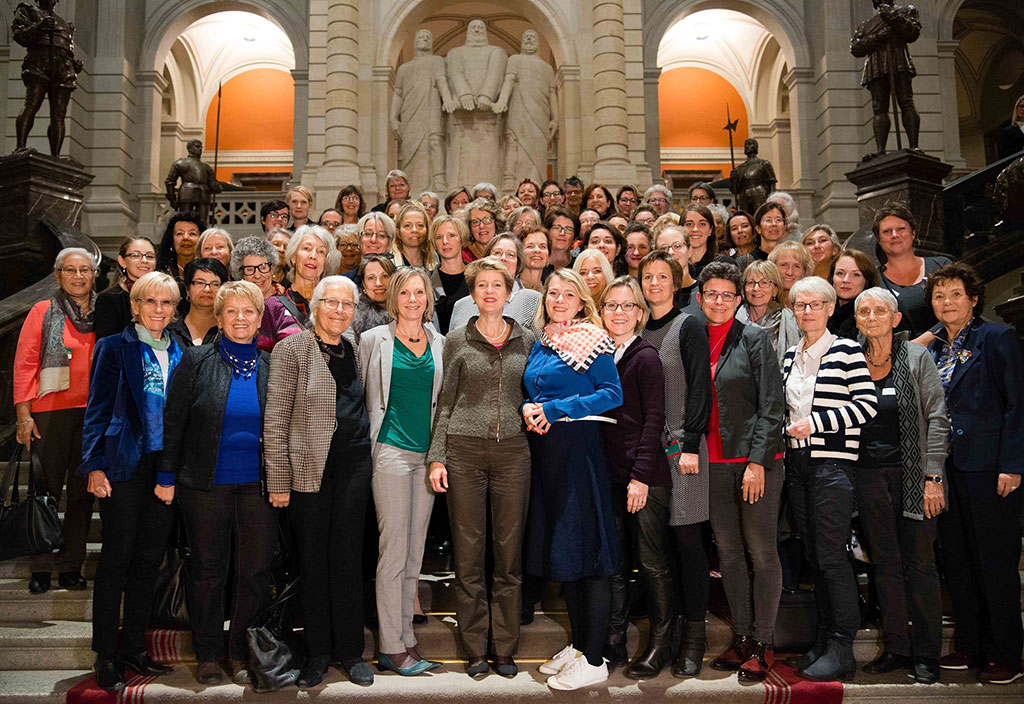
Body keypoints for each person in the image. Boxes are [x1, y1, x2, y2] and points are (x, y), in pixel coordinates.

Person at [158, 281, 275, 685]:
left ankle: (241, 652)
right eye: (232, 311)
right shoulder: (195, 361)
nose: (240, 319)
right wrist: (166, 476)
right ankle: (208, 652)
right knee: (209, 569)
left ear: (260, 319)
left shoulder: (270, 366)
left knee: (255, 571)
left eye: (248, 312)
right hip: (204, 484)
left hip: (257, 485)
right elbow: (173, 422)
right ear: (219, 317)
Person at [264, 275, 376, 687]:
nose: (340, 311)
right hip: (308, 468)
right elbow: (275, 420)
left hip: (354, 465)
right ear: (315, 305)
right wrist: (278, 480)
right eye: (332, 303)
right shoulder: (291, 349)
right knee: (312, 561)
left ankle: (350, 651)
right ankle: (317, 653)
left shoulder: (356, 349)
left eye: (347, 305)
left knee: (347, 559)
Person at [427, 258, 536, 678]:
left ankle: (504, 647)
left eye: (497, 285)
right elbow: (446, 403)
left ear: (510, 293)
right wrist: (438, 455)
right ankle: (475, 648)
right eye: (482, 285)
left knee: (508, 556)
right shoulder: (455, 340)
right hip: (464, 452)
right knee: (469, 555)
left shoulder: (529, 339)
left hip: (513, 453)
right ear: (472, 294)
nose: (489, 291)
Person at [77, 271, 182, 692]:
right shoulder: (113, 348)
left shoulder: (180, 352)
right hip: (122, 464)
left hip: (164, 469)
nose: (158, 310)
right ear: (135, 306)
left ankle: (135, 648)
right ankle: (106, 654)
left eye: (167, 303)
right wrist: (94, 465)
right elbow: (97, 409)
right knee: (116, 560)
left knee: (147, 562)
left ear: (175, 310)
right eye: (150, 302)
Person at [524, 269, 623, 691]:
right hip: (548, 456)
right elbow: (534, 392)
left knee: (589, 555)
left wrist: (557, 409)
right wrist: (532, 408)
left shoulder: (593, 339)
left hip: (580, 454)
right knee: (566, 553)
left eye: (568, 295)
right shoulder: (543, 342)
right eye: (553, 294)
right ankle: (581, 644)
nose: (559, 300)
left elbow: (611, 392)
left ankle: (596, 658)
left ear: (582, 301)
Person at [926, 263, 1024, 685]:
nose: (947, 303)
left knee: (995, 563)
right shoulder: (931, 347)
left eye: (955, 295)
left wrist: (1013, 464)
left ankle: (1006, 653)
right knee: (959, 563)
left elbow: (1017, 405)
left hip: (988, 468)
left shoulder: (998, 338)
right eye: (939, 296)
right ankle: (970, 644)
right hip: (945, 470)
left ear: (974, 298)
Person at [691, 262, 786, 683]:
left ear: (738, 299)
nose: (718, 301)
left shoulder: (754, 339)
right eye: (711, 293)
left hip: (754, 466)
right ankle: (743, 638)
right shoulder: (692, 339)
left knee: (761, 553)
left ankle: (765, 642)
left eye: (727, 294)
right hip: (711, 463)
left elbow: (772, 405)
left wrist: (758, 463)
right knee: (728, 555)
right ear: (699, 297)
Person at [782, 276, 878, 682]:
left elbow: (868, 406)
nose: (807, 311)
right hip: (798, 466)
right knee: (816, 558)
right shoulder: (789, 356)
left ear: (829, 307)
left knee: (834, 558)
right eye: (800, 305)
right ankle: (823, 641)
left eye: (815, 304)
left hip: (833, 467)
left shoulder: (846, 351)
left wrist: (817, 423)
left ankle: (843, 647)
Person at [851, 287, 947, 685]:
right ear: (856, 320)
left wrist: (933, 476)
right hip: (868, 477)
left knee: (920, 566)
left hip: (914, 475)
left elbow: (938, 418)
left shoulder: (916, 356)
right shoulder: (850, 359)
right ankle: (896, 647)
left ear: (895, 318)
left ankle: (926, 653)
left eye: (879, 310)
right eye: (863, 311)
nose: (871, 317)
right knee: (886, 565)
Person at [360, 268, 446, 676]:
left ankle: (407, 639)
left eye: (420, 292)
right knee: (393, 552)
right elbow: (361, 399)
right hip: (390, 453)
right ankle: (390, 646)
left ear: (429, 298)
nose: (413, 299)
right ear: (393, 299)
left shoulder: (441, 343)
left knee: (414, 551)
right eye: (405, 293)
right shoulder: (372, 341)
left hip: (426, 457)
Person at [637, 251, 712, 679]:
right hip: (649, 456)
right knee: (654, 553)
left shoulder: (690, 325)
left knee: (687, 545)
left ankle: (694, 641)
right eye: (647, 276)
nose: (654, 283)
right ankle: (664, 637)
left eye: (662, 276)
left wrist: (690, 441)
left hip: (682, 451)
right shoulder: (639, 328)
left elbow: (701, 387)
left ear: (676, 281)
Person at [598, 277, 674, 680]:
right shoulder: (600, 354)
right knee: (614, 562)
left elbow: (653, 421)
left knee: (650, 563)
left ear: (640, 314)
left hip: (644, 476)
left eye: (627, 306)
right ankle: (614, 640)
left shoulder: (645, 357)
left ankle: (661, 644)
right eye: (611, 305)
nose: (619, 313)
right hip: (609, 475)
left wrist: (641, 477)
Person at [14, 247, 97, 595]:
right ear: (58, 274)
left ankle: (70, 566)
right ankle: (40, 567)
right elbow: (24, 364)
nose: (78, 276)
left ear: (94, 275)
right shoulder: (43, 311)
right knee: (45, 493)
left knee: (81, 495)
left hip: (92, 413)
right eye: (70, 270)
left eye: (85, 270)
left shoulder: (104, 312)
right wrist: (23, 416)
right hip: (49, 414)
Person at [874, 202, 951, 338]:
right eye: (887, 231)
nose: (894, 235)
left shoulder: (941, 265)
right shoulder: (874, 280)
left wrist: (924, 341)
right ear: (879, 240)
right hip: (903, 355)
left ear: (913, 233)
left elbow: (963, 308)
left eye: (901, 229)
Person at [450, 234, 542, 331]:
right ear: (486, 258)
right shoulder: (460, 305)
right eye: (497, 253)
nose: (503, 258)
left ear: (518, 263)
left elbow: (542, 343)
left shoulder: (533, 300)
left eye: (511, 254)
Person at [231, 237, 303, 352]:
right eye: (250, 269)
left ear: (272, 269)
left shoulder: (289, 299)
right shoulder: (233, 303)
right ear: (241, 274)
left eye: (263, 267)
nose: (257, 275)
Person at [736, 260, 800, 367]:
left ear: (775, 290)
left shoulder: (791, 321)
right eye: (751, 282)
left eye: (764, 283)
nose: (756, 288)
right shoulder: (735, 320)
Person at [95, 237, 157, 339]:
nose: (144, 260)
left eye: (150, 256)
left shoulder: (165, 295)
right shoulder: (109, 299)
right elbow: (108, 346)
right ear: (122, 261)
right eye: (136, 255)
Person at [282, 225, 339, 324]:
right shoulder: (275, 305)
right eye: (307, 248)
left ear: (326, 262)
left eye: (321, 251)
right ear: (294, 257)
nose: (313, 256)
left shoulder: (336, 306)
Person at [166, 259, 226, 349]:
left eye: (215, 284)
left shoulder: (228, 331)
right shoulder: (169, 330)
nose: (207, 289)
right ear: (187, 289)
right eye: (200, 283)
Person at [429, 216, 471, 334]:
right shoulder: (426, 282)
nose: (445, 241)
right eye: (439, 237)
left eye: (451, 235)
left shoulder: (478, 277)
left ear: (462, 240)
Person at [828, 249, 881, 339]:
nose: (846, 280)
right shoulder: (820, 310)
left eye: (856, 275)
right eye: (840, 273)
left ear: (867, 280)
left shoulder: (874, 317)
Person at [652, 225, 698, 311]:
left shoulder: (704, 293)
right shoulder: (650, 294)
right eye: (663, 248)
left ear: (689, 250)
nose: (670, 252)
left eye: (677, 246)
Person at [683, 203, 734, 280]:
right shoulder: (674, 267)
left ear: (710, 229)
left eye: (702, 224)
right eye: (689, 224)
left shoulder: (725, 265)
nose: (695, 229)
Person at [351, 255, 396, 340]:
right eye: (371, 278)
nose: (378, 283)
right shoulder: (351, 315)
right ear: (363, 284)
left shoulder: (409, 310)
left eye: (385, 276)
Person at [156, 212, 205, 282]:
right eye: (179, 233)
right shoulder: (160, 272)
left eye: (192, 233)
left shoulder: (209, 271)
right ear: (171, 239)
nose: (186, 237)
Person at [391, 201, 437, 269]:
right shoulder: (389, 263)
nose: (414, 230)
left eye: (420, 225)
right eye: (407, 225)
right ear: (398, 232)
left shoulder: (435, 261)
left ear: (427, 230)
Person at [768, 241, 813, 310]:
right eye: (784, 265)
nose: (789, 272)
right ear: (773, 267)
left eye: (796, 266)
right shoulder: (762, 300)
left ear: (805, 271)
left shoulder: (813, 303)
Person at [464, 198, 500, 262]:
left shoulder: (506, 251)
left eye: (487, 220)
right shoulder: (463, 255)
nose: (481, 226)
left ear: (496, 222)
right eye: (475, 222)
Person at [521, 228, 550, 292]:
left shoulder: (550, 293)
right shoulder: (509, 289)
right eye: (530, 246)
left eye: (543, 246)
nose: (537, 250)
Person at [996, 94, 1024, 160]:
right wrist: (1021, 149)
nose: (1023, 109)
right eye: (1021, 106)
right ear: (1016, 109)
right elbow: (1004, 153)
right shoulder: (1007, 132)